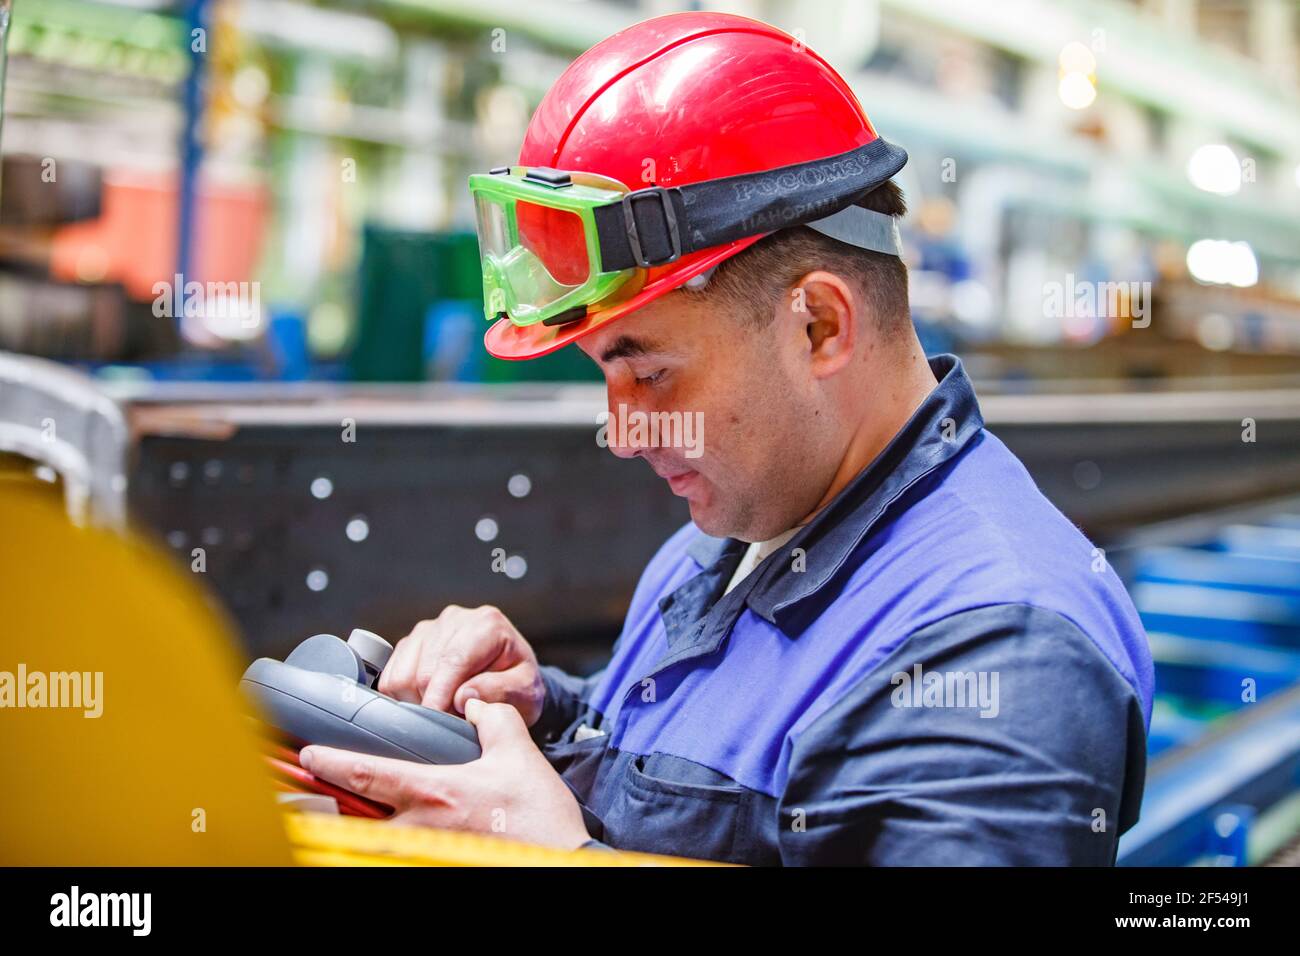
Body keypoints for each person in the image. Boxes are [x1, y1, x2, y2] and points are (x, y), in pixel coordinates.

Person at [300, 11, 1153, 865]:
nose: (625, 432)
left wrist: (557, 858)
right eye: (604, 372)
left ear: (819, 325)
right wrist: (544, 713)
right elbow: (685, 762)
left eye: (652, 371)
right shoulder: (731, 538)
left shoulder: (1000, 653)